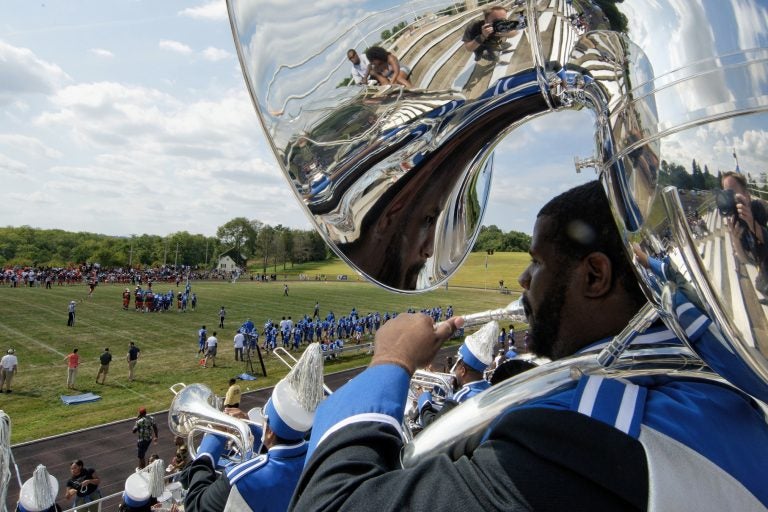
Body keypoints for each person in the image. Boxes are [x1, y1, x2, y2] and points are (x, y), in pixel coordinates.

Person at [289, 181, 768, 510]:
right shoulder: (715, 385)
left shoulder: (588, 435)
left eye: (537, 262)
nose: (523, 279)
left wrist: (389, 361)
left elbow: (334, 503)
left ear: (595, 276)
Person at [184, 343, 326, 512]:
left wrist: (207, 451)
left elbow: (195, 506)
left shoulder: (242, 479)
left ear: (269, 432)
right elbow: (283, 458)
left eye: (263, 420)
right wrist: (254, 429)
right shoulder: (319, 456)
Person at [417, 321, 496, 428]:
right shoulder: (491, 388)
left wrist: (424, 401)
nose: (455, 369)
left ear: (463, 371)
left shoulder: (459, 399)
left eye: (457, 364)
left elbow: (432, 426)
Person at [720, 171, 768, 296]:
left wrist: (752, 222)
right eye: (726, 194)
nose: (730, 199)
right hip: (764, 269)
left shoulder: (762, 208)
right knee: (761, 285)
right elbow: (745, 259)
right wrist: (735, 240)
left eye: (733, 192)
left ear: (747, 195)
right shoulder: (736, 222)